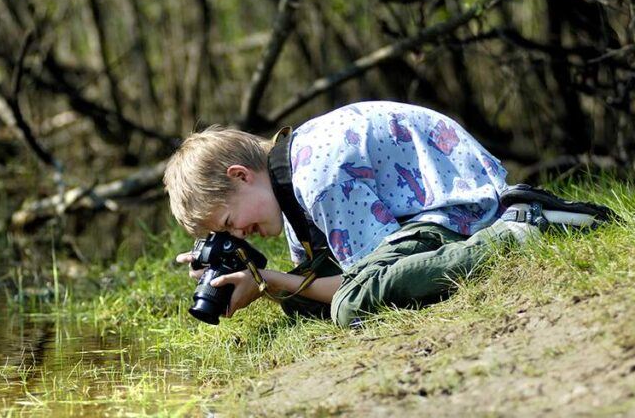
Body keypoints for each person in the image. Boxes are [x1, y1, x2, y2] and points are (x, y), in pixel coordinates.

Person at [164, 101, 615, 327]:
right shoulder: (288, 172)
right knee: (305, 304)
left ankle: (516, 231)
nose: (240, 232)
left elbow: (359, 279)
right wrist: (248, 272)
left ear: (241, 175)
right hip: (431, 205)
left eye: (228, 223)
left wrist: (271, 283)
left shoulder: (316, 179)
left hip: (456, 205)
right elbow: (318, 275)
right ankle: (512, 224)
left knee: (351, 305)